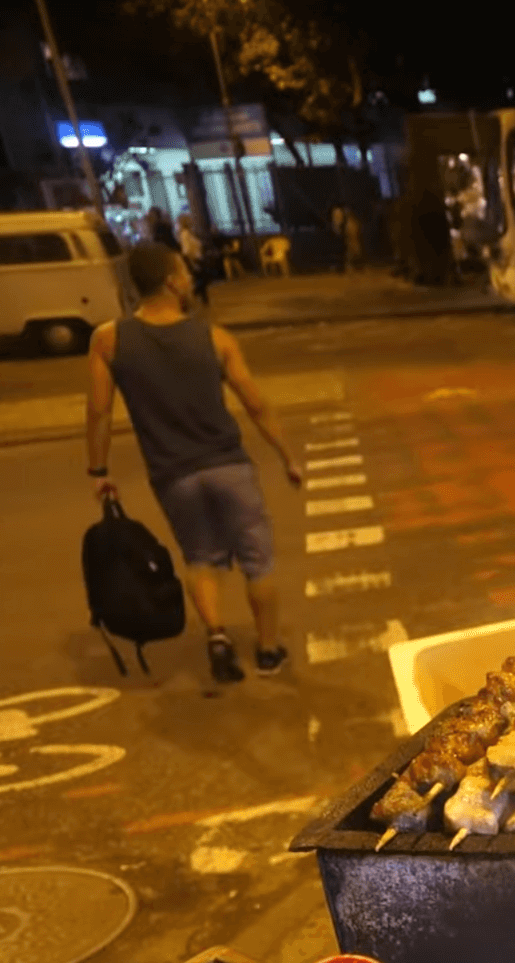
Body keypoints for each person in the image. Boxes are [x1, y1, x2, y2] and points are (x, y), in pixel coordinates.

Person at [86, 244, 305, 684]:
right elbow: (256, 404)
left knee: (201, 558)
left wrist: (99, 471)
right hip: (229, 466)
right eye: (183, 271)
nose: (188, 277)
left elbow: (99, 411)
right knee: (257, 563)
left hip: (172, 476)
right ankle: (267, 651)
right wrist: (287, 456)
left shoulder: (109, 340)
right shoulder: (215, 338)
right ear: (171, 281)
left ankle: (218, 636)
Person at [176, 212, 210, 306]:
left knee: (201, 281)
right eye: (189, 219)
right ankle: (189, 300)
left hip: (198, 258)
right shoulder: (185, 234)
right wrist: (193, 263)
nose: (192, 220)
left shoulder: (190, 233)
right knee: (200, 281)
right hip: (195, 259)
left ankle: (203, 301)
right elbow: (186, 251)